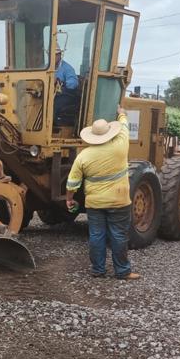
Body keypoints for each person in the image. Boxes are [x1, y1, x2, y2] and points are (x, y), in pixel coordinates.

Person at [65, 107, 140, 280]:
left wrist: (69, 199)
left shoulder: (84, 156)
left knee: (96, 235)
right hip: (119, 201)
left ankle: (98, 270)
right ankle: (122, 271)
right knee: (119, 235)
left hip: (95, 204)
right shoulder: (121, 145)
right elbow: (124, 126)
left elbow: (72, 182)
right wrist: (121, 113)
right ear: (109, 133)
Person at [53, 48, 81, 128]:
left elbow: (74, 83)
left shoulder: (67, 68)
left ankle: (54, 125)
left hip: (65, 94)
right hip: (49, 94)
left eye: (55, 54)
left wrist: (60, 83)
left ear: (59, 55)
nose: (53, 57)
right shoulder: (46, 67)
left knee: (54, 105)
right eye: (51, 54)